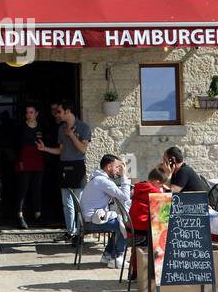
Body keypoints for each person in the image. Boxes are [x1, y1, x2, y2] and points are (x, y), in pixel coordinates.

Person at [39, 99, 92, 239]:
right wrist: (45, 149)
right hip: (64, 166)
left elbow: (82, 149)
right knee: (66, 203)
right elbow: (60, 151)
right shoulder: (61, 128)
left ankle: (80, 232)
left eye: (59, 111)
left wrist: (72, 135)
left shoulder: (83, 127)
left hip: (78, 166)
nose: (57, 114)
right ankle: (71, 232)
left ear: (67, 111)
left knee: (78, 202)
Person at [80, 154, 131, 269]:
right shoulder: (104, 181)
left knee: (118, 224)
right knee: (125, 226)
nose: (118, 170)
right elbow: (125, 197)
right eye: (117, 167)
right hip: (93, 222)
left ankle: (107, 255)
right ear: (109, 167)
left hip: (90, 219)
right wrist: (124, 176)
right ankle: (117, 258)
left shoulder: (97, 178)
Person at [13, 103, 45, 229]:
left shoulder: (42, 127)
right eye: (27, 112)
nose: (29, 115)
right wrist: (18, 159)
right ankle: (20, 216)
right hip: (24, 161)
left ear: (37, 113)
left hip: (38, 160)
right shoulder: (20, 127)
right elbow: (15, 145)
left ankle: (38, 215)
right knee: (23, 189)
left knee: (37, 189)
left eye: (31, 112)